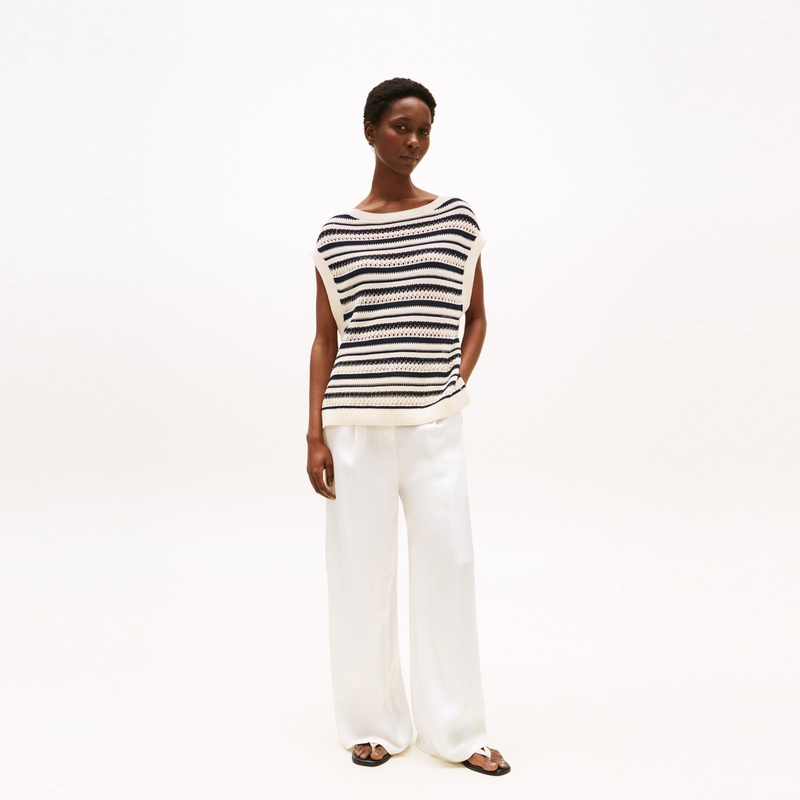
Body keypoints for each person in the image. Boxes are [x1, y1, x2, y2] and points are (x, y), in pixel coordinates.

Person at [306, 77, 509, 777]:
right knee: (361, 577)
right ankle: (372, 723)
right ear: (369, 130)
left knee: (449, 567)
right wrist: (313, 434)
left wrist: (455, 381)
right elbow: (326, 339)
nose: (413, 141)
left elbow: (476, 317)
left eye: (423, 130)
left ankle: (457, 730)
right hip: (353, 427)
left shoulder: (457, 220)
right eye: (400, 127)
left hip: (432, 428)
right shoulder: (335, 235)